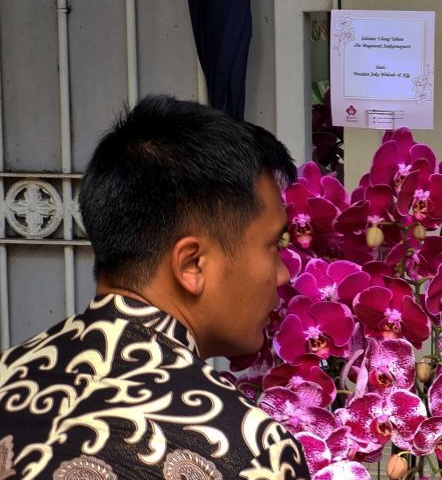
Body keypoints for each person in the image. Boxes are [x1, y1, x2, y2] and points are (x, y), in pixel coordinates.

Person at [0, 95, 309, 479]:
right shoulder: (250, 449)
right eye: (274, 245)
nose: (283, 275)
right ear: (192, 265)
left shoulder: (8, 372)